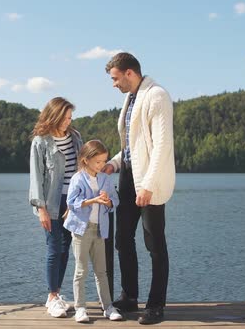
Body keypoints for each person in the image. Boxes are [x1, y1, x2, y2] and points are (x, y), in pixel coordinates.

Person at [102, 52, 175, 325]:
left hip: (149, 182)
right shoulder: (130, 98)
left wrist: (148, 185)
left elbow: (161, 146)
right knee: (123, 239)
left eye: (115, 78)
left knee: (154, 243)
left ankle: (156, 306)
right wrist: (113, 164)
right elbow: (134, 147)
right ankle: (130, 297)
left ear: (129, 73)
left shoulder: (157, 95)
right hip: (129, 177)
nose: (114, 84)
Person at [29, 97, 82, 318]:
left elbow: (82, 168)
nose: (68, 122)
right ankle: (52, 297)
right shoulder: (41, 142)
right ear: (54, 116)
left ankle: (57, 294)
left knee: (66, 247)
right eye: (65, 117)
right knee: (54, 248)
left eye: (70, 118)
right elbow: (36, 178)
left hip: (73, 202)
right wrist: (40, 208)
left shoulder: (76, 138)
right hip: (51, 203)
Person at [63, 140, 123, 323]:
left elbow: (115, 200)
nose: (102, 165)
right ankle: (81, 308)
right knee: (81, 271)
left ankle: (108, 307)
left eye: (104, 161)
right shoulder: (78, 179)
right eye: (98, 162)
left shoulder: (105, 178)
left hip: (100, 229)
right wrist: (94, 200)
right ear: (86, 160)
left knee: (101, 271)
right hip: (82, 230)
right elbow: (72, 203)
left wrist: (108, 201)